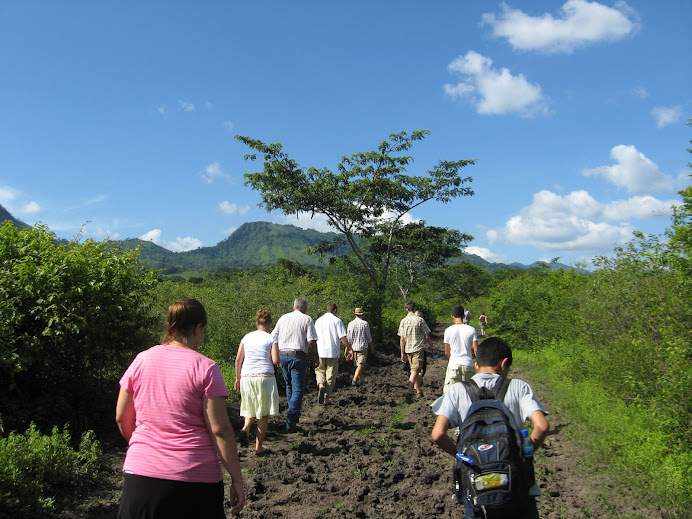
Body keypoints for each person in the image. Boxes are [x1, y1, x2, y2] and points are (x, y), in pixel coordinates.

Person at [115, 298, 245, 519]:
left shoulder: (141, 360)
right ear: (198, 328)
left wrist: (145, 448)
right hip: (194, 479)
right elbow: (220, 430)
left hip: (141, 476)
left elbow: (121, 417)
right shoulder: (206, 368)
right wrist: (237, 478)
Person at [430, 336, 549, 519]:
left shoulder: (457, 391)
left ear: (476, 364)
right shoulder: (518, 387)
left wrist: (461, 456)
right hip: (516, 486)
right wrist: (524, 453)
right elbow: (541, 426)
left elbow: (438, 434)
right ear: (504, 363)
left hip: (477, 486)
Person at [234, 308, 280, 455]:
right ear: (270, 324)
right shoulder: (271, 338)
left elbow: (238, 360)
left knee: (250, 407)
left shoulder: (246, 337)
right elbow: (275, 360)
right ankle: (259, 447)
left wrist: (237, 378)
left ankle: (245, 428)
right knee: (264, 413)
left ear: (256, 323)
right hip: (264, 376)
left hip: (247, 376)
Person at [272, 297, 318, 432]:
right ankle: (290, 422)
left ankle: (293, 416)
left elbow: (273, 336)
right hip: (298, 355)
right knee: (298, 389)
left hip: (283, 354)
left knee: (289, 386)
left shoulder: (283, 318)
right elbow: (311, 341)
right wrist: (316, 355)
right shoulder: (307, 319)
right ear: (305, 308)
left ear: (294, 307)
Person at [314, 303, 351, 405]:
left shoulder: (318, 321)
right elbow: (342, 337)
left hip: (320, 350)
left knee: (320, 370)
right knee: (331, 374)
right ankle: (326, 397)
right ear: (334, 310)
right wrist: (349, 347)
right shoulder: (337, 321)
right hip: (332, 351)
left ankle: (321, 385)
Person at [398, 301, 433, 398]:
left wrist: (402, 353)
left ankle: (418, 391)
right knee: (415, 370)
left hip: (408, 349)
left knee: (415, 370)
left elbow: (402, 338)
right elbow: (426, 335)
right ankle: (409, 391)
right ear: (415, 308)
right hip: (418, 348)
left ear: (407, 309)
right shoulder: (420, 320)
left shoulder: (403, 321)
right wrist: (431, 346)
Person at [443, 306, 478, 393]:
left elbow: (447, 352)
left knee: (451, 395)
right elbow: (476, 350)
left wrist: (450, 360)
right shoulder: (472, 330)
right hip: (468, 364)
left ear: (452, 316)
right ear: (464, 316)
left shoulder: (448, 330)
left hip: (453, 364)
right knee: (470, 394)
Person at [347, 307, 374, 386]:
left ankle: (361, 380)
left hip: (353, 348)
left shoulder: (351, 324)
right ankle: (355, 379)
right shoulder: (365, 324)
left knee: (358, 365)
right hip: (362, 347)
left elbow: (349, 338)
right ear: (362, 314)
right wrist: (372, 347)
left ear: (355, 314)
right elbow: (368, 337)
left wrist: (347, 348)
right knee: (360, 365)